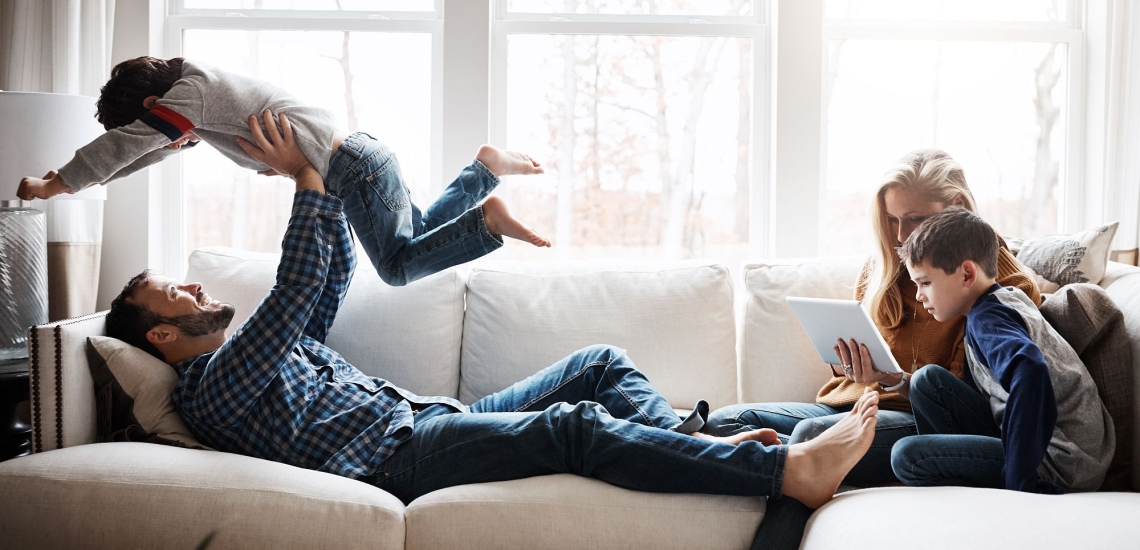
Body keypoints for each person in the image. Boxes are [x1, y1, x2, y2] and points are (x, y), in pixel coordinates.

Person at [103, 110, 882, 510]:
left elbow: (327, 273)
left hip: (430, 419)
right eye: (177, 291)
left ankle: (696, 440)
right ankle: (782, 470)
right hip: (393, 464)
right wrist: (306, 179)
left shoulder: (263, 358)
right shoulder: (215, 387)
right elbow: (295, 289)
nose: (199, 288)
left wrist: (317, 181)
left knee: (598, 366)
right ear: (162, 334)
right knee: (572, 427)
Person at [702, 149, 1043, 549]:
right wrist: (852, 365)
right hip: (854, 400)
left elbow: (967, 396)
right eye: (892, 219)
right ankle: (812, 460)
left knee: (811, 435)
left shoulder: (996, 286)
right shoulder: (884, 265)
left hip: (913, 416)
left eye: (914, 219)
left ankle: (800, 496)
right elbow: (858, 354)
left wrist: (893, 381)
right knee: (727, 421)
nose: (900, 235)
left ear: (958, 207)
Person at [15, 56, 549, 287]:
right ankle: (483, 172)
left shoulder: (190, 95)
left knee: (396, 268)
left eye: (153, 122)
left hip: (350, 170)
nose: (165, 138)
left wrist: (57, 183)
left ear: (154, 102)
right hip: (363, 156)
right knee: (422, 233)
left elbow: (126, 145)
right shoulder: (200, 90)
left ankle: (488, 223)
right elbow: (145, 151)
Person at [892, 207, 1114, 493]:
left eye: (925, 283)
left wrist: (1018, 477)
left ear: (966, 274)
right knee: (927, 381)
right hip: (1065, 452)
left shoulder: (989, 319)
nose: (920, 295)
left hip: (1058, 462)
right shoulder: (999, 302)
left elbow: (1031, 371)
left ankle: (961, 490)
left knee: (907, 456)